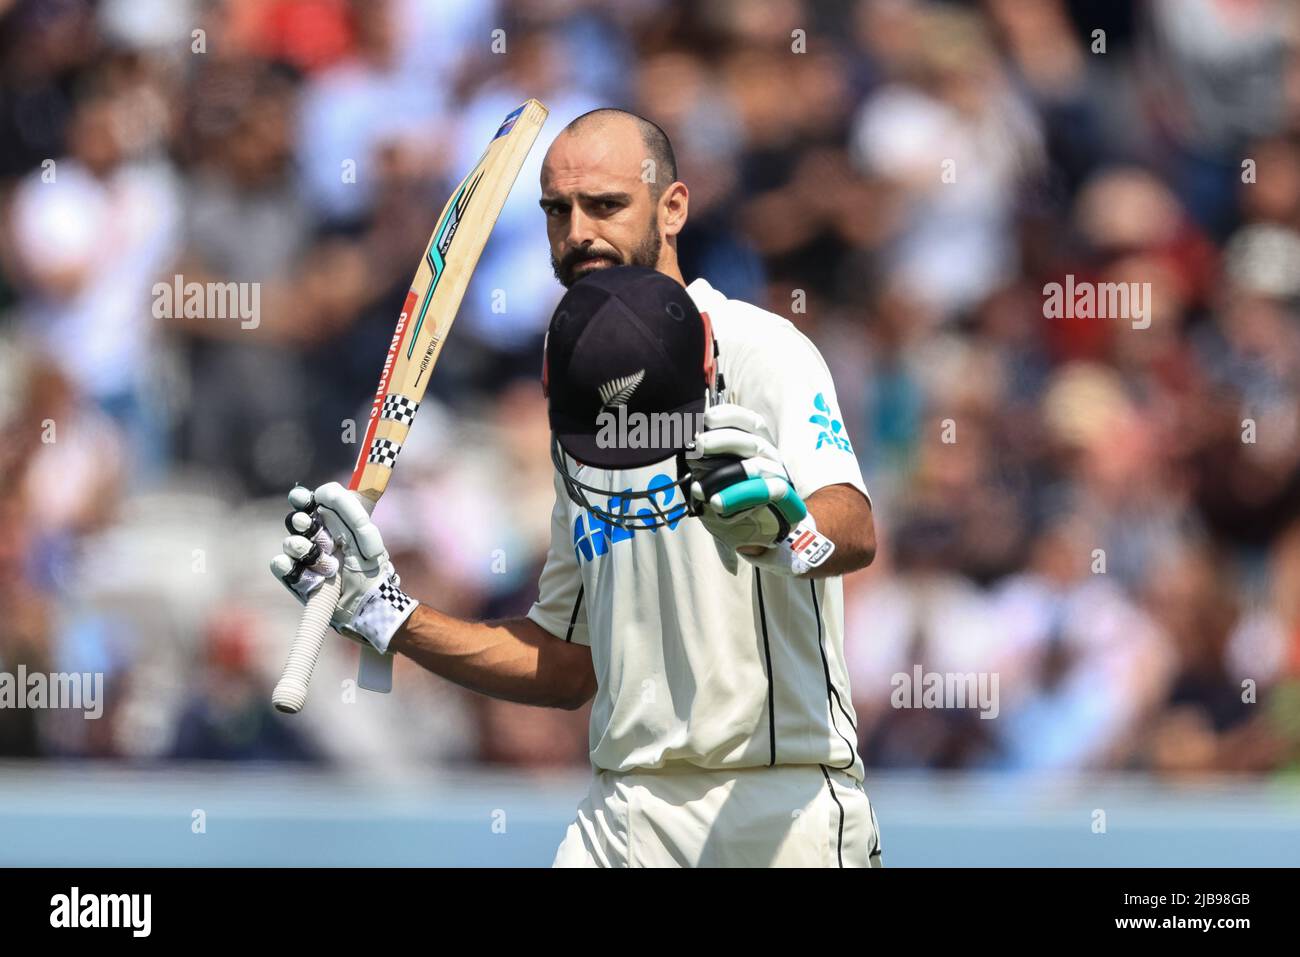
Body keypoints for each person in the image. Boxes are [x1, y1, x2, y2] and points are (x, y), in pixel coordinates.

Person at [272, 109, 881, 867]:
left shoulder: (760, 349)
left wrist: (786, 528)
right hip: (626, 811)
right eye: (558, 211)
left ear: (674, 207)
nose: (579, 231)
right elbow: (565, 666)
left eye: (605, 205)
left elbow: (852, 528)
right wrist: (388, 614)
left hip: (779, 806)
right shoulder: (579, 405)